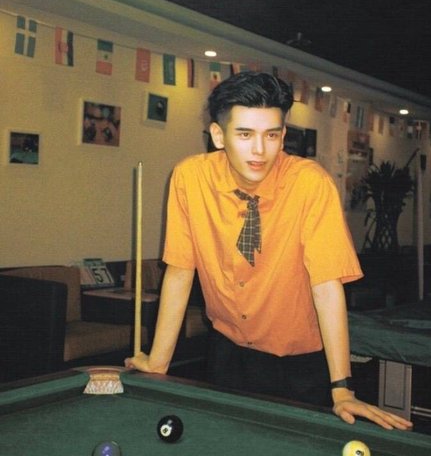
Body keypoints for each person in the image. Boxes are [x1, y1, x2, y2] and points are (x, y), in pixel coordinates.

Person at [125, 72, 412, 431]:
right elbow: (180, 271)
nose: (260, 150)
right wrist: (158, 361)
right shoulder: (189, 178)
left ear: (283, 136)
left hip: (300, 364)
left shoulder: (310, 184)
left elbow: (326, 287)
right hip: (227, 352)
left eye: (271, 135)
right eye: (245, 134)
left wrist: (341, 387)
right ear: (218, 136)